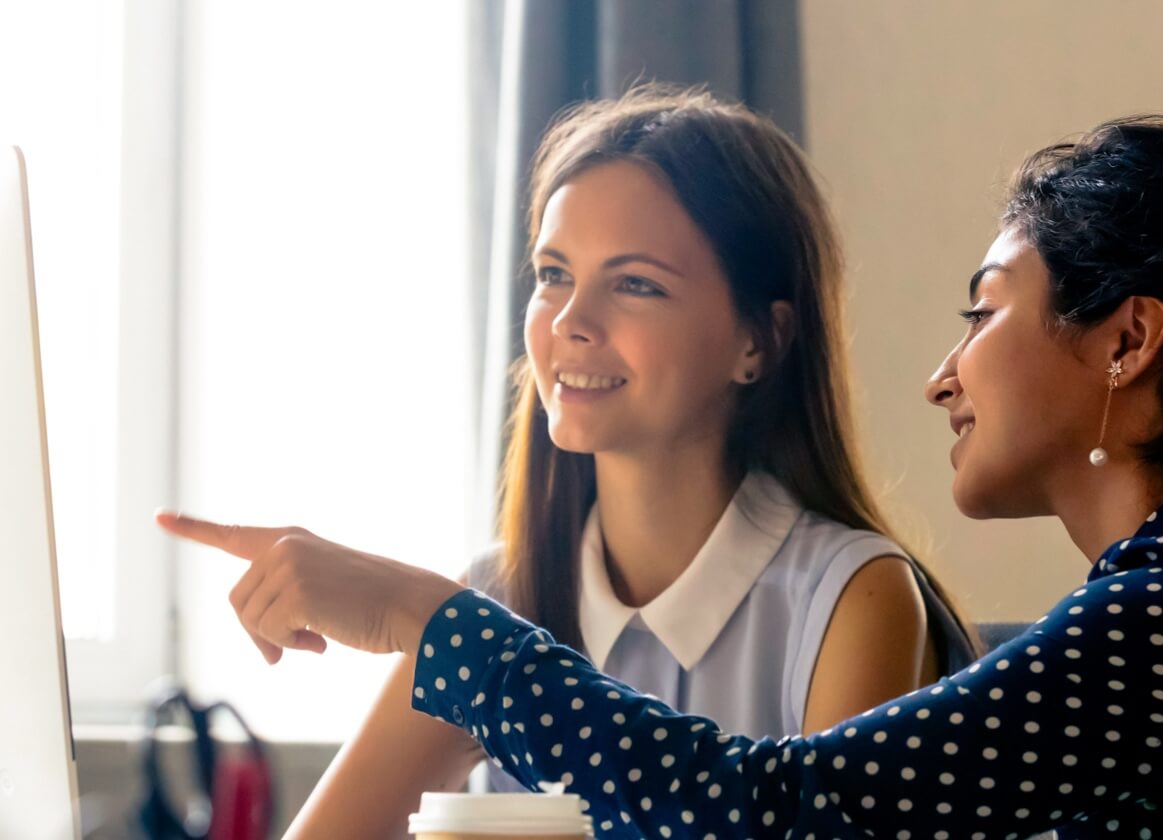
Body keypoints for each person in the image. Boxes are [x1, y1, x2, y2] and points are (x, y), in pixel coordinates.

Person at [160, 115, 1163, 838]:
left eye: (985, 311)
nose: (945, 371)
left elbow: (786, 814)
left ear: (1124, 340)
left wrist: (428, 625)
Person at [265, 87, 974, 838]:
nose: (571, 322)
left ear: (757, 342)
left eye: (636, 284)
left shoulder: (855, 598)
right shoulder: (499, 596)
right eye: (552, 274)